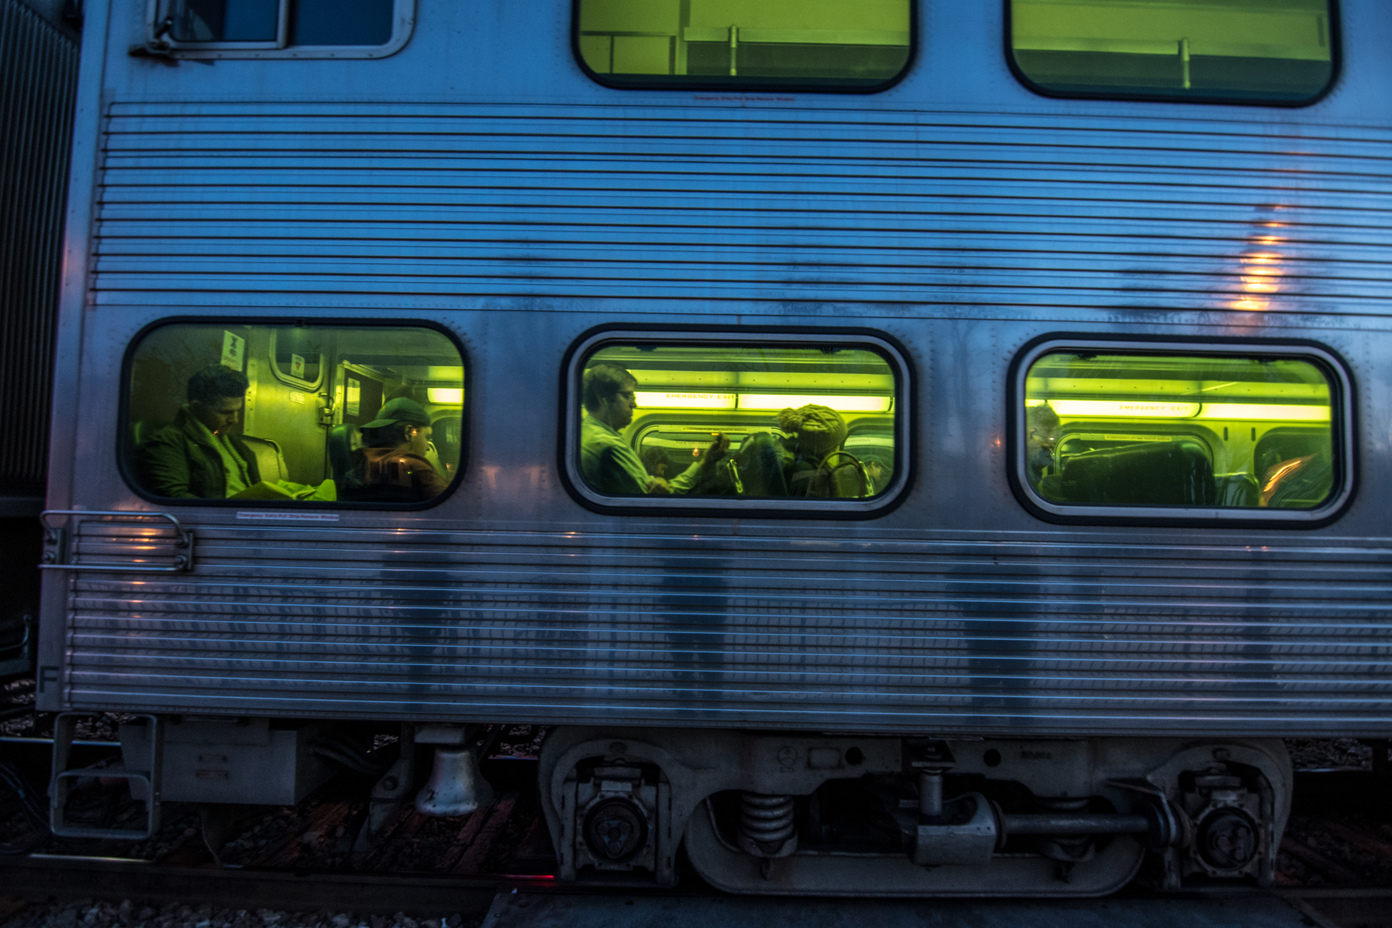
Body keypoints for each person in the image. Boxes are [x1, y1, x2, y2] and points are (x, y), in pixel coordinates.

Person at [580, 363, 728, 495]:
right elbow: (652, 498)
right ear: (602, 399)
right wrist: (704, 464)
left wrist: (704, 463)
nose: (634, 404)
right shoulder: (608, 445)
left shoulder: (587, 433)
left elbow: (653, 490)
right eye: (627, 395)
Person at [139, 364, 260, 498]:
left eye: (237, 411)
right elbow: (174, 498)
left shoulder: (228, 440)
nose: (234, 420)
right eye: (226, 412)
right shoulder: (167, 443)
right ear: (197, 407)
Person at [349, 397, 448, 501]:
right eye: (426, 437)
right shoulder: (414, 466)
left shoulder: (362, 463)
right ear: (408, 432)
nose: (428, 447)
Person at [1025, 403, 1061, 488]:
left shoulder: (1031, 468)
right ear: (1032, 433)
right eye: (1050, 439)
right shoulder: (1022, 471)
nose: (1051, 446)